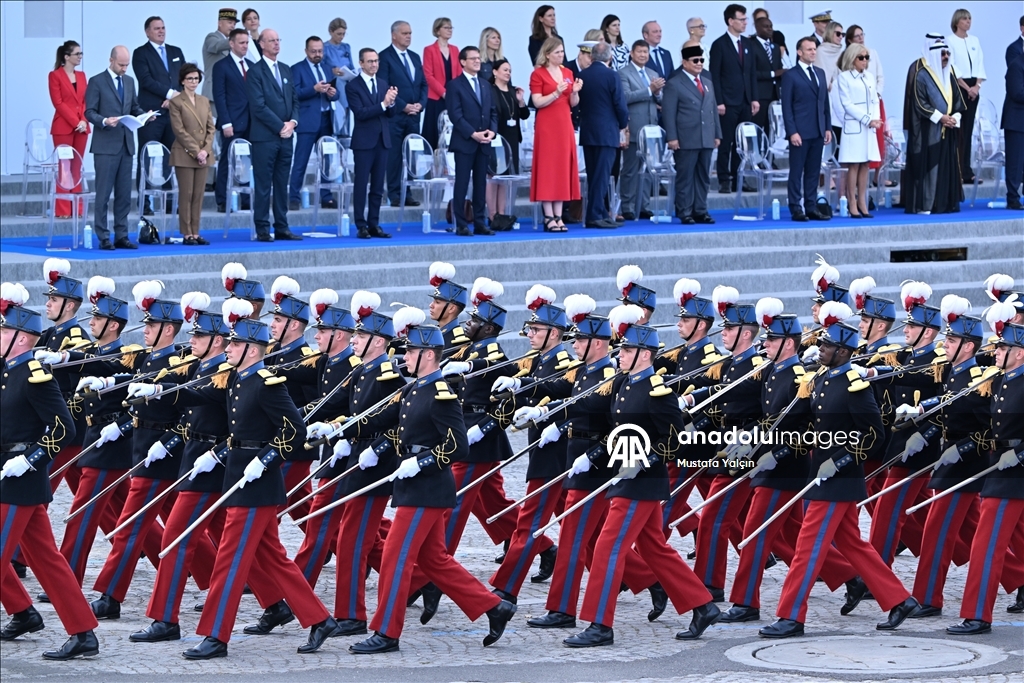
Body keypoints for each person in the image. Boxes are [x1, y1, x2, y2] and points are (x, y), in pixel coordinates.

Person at [342, 319, 517, 655]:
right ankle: (495, 607)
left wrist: (420, 462)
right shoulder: (412, 389)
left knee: (394, 556)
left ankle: (386, 632)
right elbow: (380, 420)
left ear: (428, 355)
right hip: (413, 487)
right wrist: (340, 430)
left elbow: (458, 446)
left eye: (410, 351)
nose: (404, 356)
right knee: (435, 560)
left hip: (426, 487)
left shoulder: (441, 392)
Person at [759, 311, 920, 639]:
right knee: (853, 545)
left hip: (838, 479)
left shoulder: (854, 386)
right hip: (822, 475)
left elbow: (874, 434)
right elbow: (800, 422)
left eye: (827, 345)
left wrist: (841, 461)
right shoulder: (820, 379)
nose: (819, 348)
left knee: (807, 546)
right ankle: (900, 600)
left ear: (844, 352)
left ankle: (791, 616)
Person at [0, 291, 100, 661]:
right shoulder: (6, 371)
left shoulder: (35, 375)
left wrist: (30, 460)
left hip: (20, 478)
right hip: (6, 475)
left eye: (1, 331)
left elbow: (63, 428)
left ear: (21, 338)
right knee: (47, 560)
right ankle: (81, 631)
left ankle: (63, 625)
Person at [129, 294, 230, 644]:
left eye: (199, 337)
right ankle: (294, 608)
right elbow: (178, 380)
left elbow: (193, 393)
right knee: (264, 551)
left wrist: (158, 390)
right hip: (196, 461)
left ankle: (165, 619)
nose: (192, 341)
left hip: (211, 465)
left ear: (217, 340)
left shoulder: (221, 372)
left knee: (175, 540)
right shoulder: (200, 364)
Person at [947, 304, 1024, 635]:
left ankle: (978, 614)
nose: (995, 353)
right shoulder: (1002, 381)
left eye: (1003, 348)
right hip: (1000, 472)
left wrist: (1017, 454)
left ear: (1019, 354)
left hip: (1012, 477)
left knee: (986, 544)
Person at [487, 287, 566, 602]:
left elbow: (559, 387)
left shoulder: (560, 360)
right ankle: (644, 575)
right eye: (530, 329)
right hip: (544, 452)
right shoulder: (538, 360)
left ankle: (506, 588)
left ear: (555, 333)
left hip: (556, 456)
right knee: (588, 532)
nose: (530, 334)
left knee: (528, 522)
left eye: (536, 329)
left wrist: (523, 385)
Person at [84, 45, 149, 250]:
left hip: (126, 144)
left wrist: (144, 115)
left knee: (123, 195)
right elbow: (89, 112)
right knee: (103, 194)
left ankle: (122, 234)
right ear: (111, 60)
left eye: (126, 65)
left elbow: (133, 107)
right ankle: (103, 236)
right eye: (121, 64)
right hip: (105, 145)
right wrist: (103, 121)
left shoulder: (129, 81)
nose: (124, 68)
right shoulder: (97, 81)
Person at [246, 28, 302, 241]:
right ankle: (262, 227)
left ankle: (282, 226)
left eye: (278, 40)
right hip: (265, 138)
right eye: (272, 40)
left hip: (287, 137)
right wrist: (281, 126)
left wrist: (293, 123)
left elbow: (295, 101)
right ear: (261, 44)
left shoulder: (286, 70)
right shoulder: (255, 71)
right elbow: (258, 106)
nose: (277, 44)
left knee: (281, 183)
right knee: (263, 185)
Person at [903, 35, 966, 215]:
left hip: (948, 131)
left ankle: (944, 203)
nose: (946, 57)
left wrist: (955, 117)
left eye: (947, 53)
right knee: (930, 168)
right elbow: (919, 103)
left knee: (947, 166)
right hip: (929, 131)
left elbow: (959, 103)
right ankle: (927, 205)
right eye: (942, 54)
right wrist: (940, 117)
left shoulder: (950, 75)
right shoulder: (922, 76)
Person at [664, 43, 721, 224]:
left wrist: (717, 134)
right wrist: (672, 137)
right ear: (684, 62)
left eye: (701, 60)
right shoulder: (675, 83)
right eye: (695, 60)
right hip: (686, 137)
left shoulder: (707, 82)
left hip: (706, 136)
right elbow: (669, 113)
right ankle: (684, 211)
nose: (699, 63)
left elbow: (713, 110)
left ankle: (700, 210)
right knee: (686, 177)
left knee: (703, 176)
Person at [529, 38, 581, 232]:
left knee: (561, 169)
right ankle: (548, 216)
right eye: (557, 52)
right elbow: (537, 102)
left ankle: (558, 216)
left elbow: (573, 103)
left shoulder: (568, 73)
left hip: (564, 124)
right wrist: (556, 93)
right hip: (547, 126)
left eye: (562, 52)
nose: (561, 55)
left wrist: (574, 92)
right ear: (548, 54)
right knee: (547, 169)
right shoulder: (538, 74)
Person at [446, 46, 498, 237]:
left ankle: (480, 222)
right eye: (473, 58)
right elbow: (455, 115)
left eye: (478, 58)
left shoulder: (485, 84)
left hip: (484, 142)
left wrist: (492, 131)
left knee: (480, 184)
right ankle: (460, 223)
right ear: (463, 62)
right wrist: (472, 133)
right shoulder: (455, 85)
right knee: (461, 184)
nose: (477, 61)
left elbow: (493, 111)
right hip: (465, 142)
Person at [133, 17, 185, 209]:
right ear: (147, 32)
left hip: (173, 113)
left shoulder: (175, 51)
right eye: (157, 28)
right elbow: (146, 80)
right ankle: (144, 202)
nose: (161, 31)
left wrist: (174, 99)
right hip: (151, 114)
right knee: (147, 155)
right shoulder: (140, 53)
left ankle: (170, 200)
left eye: (163, 27)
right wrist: (170, 94)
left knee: (172, 156)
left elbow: (184, 77)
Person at [347, 48, 398, 239]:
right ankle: (361, 224)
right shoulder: (353, 86)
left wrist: (391, 103)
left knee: (377, 185)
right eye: (369, 61)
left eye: (376, 61)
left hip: (382, 140)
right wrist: (384, 104)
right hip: (364, 141)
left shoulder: (383, 83)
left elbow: (390, 114)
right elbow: (360, 113)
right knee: (361, 184)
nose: (374, 65)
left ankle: (374, 223)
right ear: (361, 63)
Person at [578, 42, 629, 230]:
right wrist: (623, 124)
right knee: (602, 174)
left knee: (594, 174)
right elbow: (620, 104)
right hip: (607, 131)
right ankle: (595, 215)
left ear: (592, 57)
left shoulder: (582, 75)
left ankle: (598, 212)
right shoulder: (612, 75)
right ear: (610, 57)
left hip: (588, 130)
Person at [781, 38, 832, 221]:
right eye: (809, 49)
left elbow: (824, 103)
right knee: (797, 171)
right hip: (800, 132)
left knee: (813, 171)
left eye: (814, 49)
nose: (813, 52)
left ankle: (811, 206)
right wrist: (792, 131)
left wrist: (827, 127)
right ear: (799, 52)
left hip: (818, 130)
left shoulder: (820, 73)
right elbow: (786, 106)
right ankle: (796, 207)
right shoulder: (791, 75)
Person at [710, 4, 758, 194]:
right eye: (742, 19)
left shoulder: (747, 44)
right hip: (728, 102)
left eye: (746, 19)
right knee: (726, 142)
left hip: (745, 101)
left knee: (742, 143)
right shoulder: (719, 44)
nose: (745, 23)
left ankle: (739, 176)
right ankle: (724, 179)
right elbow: (715, 75)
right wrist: (719, 101)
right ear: (731, 21)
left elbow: (751, 73)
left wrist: (754, 98)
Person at [289, 36, 340, 211]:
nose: (317, 54)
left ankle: (326, 196)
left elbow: (337, 94)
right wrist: (314, 89)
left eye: (320, 51)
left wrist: (332, 93)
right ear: (306, 51)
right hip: (307, 121)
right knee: (301, 161)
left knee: (327, 161)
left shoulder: (327, 68)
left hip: (326, 119)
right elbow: (294, 93)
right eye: (313, 51)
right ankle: (293, 197)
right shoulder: (297, 68)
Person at [378, 21, 426, 208]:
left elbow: (422, 84)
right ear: (394, 35)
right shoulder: (385, 57)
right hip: (396, 115)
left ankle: (408, 192)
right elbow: (385, 85)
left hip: (414, 114)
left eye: (410, 33)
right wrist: (403, 106)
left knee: (411, 154)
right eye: (405, 33)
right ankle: (395, 193)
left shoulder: (414, 57)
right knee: (395, 155)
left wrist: (420, 104)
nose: (408, 36)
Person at [169, 63, 216, 244]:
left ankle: (196, 231)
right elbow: (179, 131)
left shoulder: (204, 100)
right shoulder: (176, 102)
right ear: (182, 81)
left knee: (198, 194)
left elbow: (211, 128)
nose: (193, 82)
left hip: (203, 153)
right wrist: (197, 151)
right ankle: (186, 232)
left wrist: (205, 150)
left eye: (196, 79)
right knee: (186, 194)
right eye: (190, 79)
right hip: (185, 153)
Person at [836, 44, 881, 218]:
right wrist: (867, 119)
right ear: (852, 58)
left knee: (865, 164)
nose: (865, 61)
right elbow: (847, 104)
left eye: (867, 57)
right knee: (853, 164)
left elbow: (875, 100)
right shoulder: (844, 78)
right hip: (855, 126)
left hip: (869, 126)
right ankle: (851, 202)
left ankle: (862, 201)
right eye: (861, 57)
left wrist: (875, 120)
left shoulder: (869, 77)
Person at [619, 40, 663, 221]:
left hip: (651, 129)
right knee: (630, 169)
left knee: (648, 170)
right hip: (634, 127)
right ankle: (627, 206)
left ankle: (643, 205)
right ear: (632, 53)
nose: (644, 55)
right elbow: (625, 97)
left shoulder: (652, 73)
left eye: (646, 52)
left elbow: (660, 100)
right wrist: (649, 90)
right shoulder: (623, 73)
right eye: (640, 52)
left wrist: (658, 93)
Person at [212, 28, 253, 213]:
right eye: (241, 42)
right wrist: (226, 122)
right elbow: (219, 96)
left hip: (251, 122)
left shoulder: (251, 65)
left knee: (247, 161)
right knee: (227, 162)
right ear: (231, 44)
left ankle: (245, 198)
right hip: (232, 122)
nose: (245, 46)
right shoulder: (222, 66)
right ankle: (222, 199)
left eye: (247, 42)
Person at [49, 40, 90, 218]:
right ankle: (64, 209)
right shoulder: (55, 75)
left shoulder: (81, 76)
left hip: (81, 126)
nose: (80, 57)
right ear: (67, 57)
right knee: (64, 166)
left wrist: (83, 120)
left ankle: (78, 208)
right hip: (64, 126)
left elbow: (85, 101)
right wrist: (76, 121)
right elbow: (58, 103)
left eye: (81, 54)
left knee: (77, 166)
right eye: (77, 54)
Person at [488, 58, 530, 221]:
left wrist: (520, 101)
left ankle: (503, 213)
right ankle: (492, 215)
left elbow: (524, 115)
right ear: (495, 72)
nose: (508, 73)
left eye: (510, 71)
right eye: (505, 70)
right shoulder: (489, 90)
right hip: (496, 137)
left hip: (512, 138)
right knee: (494, 176)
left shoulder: (513, 91)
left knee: (506, 178)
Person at [949, 9, 987, 184]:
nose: (968, 22)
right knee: (959, 130)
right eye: (964, 19)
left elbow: (979, 63)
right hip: (959, 87)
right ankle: (955, 168)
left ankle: (966, 170)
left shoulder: (974, 41)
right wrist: (966, 87)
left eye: (970, 18)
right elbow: (953, 66)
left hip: (973, 87)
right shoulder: (949, 41)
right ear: (957, 21)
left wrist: (977, 86)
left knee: (969, 129)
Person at [846, 26, 888, 181]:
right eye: (857, 36)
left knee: (876, 139)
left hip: (875, 102)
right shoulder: (847, 57)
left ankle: (875, 176)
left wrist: (876, 94)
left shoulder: (873, 53)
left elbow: (880, 77)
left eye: (862, 35)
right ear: (850, 40)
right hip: (857, 107)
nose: (861, 38)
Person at [423, 18, 461, 149]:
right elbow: (428, 75)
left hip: (453, 96)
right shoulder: (429, 50)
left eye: (451, 28)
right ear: (438, 30)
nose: (450, 30)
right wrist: (444, 93)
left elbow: (459, 73)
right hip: (436, 98)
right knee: (435, 132)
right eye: (446, 27)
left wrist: (454, 93)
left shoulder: (455, 50)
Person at [751, 16, 784, 133]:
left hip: (775, 95)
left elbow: (779, 69)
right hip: (760, 95)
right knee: (758, 128)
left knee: (773, 129)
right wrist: (772, 74)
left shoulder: (775, 47)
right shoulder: (751, 46)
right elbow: (751, 73)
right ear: (757, 28)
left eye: (771, 26)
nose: (770, 29)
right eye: (766, 27)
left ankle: (770, 151)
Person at [815, 21, 845, 149]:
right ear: (830, 33)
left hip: (841, 95)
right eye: (838, 33)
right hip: (826, 95)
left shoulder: (842, 51)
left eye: (843, 34)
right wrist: (830, 84)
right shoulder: (821, 51)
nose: (840, 37)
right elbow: (820, 75)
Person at [323, 18, 354, 140]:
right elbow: (322, 66)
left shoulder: (346, 47)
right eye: (339, 34)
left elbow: (350, 65)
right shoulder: (325, 48)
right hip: (334, 82)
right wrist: (332, 70)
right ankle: (339, 129)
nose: (341, 37)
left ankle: (346, 130)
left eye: (343, 34)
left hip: (347, 80)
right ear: (331, 32)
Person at [201, 8, 236, 114]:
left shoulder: (232, 44)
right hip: (213, 94)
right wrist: (236, 39)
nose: (232, 26)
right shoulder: (211, 37)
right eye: (229, 23)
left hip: (228, 94)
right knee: (214, 128)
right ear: (219, 23)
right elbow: (216, 46)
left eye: (234, 24)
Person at [1005, 50, 1024, 210]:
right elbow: (1017, 93)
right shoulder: (1016, 65)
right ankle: (1012, 198)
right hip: (1016, 122)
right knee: (1015, 164)